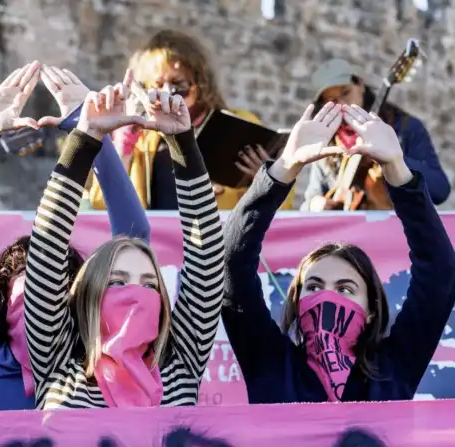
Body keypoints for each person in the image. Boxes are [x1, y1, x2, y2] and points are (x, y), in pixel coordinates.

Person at [0, 62, 151, 411]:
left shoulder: (89, 351)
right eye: (30, 282)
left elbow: (133, 239)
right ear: (2, 294)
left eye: (54, 282)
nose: (42, 294)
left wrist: (91, 131)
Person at [222, 102, 455, 403]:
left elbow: (439, 271)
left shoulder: (394, 368)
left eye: (345, 289)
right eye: (314, 286)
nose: (327, 298)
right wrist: (284, 168)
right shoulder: (269, 363)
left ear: (371, 310)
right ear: (295, 302)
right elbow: (231, 262)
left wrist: (397, 169)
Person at [23, 71, 225, 409]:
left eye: (149, 285)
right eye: (118, 282)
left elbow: (207, 256)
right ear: (89, 294)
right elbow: (47, 245)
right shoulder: (58, 363)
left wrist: (182, 141)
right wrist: (85, 137)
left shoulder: (180, 369)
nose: (135, 294)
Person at [87, 30, 295, 211]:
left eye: (178, 84)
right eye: (157, 86)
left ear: (201, 83)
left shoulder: (240, 125)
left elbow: (279, 213)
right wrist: (124, 142)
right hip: (157, 247)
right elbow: (101, 205)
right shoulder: (140, 137)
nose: (168, 93)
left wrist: (267, 180)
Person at [301, 59, 450, 210]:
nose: (342, 104)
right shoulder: (329, 141)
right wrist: (314, 204)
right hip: (347, 232)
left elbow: (440, 191)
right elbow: (308, 201)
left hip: (397, 229)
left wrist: (395, 159)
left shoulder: (406, 128)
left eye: (345, 92)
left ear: (360, 84)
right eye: (332, 101)